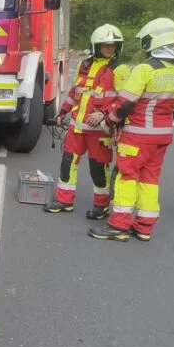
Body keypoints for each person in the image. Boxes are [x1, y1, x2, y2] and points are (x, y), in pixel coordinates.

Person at [89, 18, 174, 241]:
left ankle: (119, 226)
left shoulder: (145, 69)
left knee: (126, 177)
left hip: (137, 137)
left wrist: (108, 122)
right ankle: (144, 227)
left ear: (153, 41)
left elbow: (124, 104)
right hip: (162, 137)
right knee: (150, 180)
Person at [44, 24, 123, 219]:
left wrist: (105, 114)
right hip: (76, 127)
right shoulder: (84, 65)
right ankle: (64, 200)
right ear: (96, 45)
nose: (110, 48)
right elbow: (74, 93)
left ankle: (101, 206)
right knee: (67, 162)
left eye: (113, 45)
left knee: (99, 168)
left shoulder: (120, 70)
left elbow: (125, 101)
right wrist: (62, 112)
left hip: (100, 131)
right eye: (105, 45)